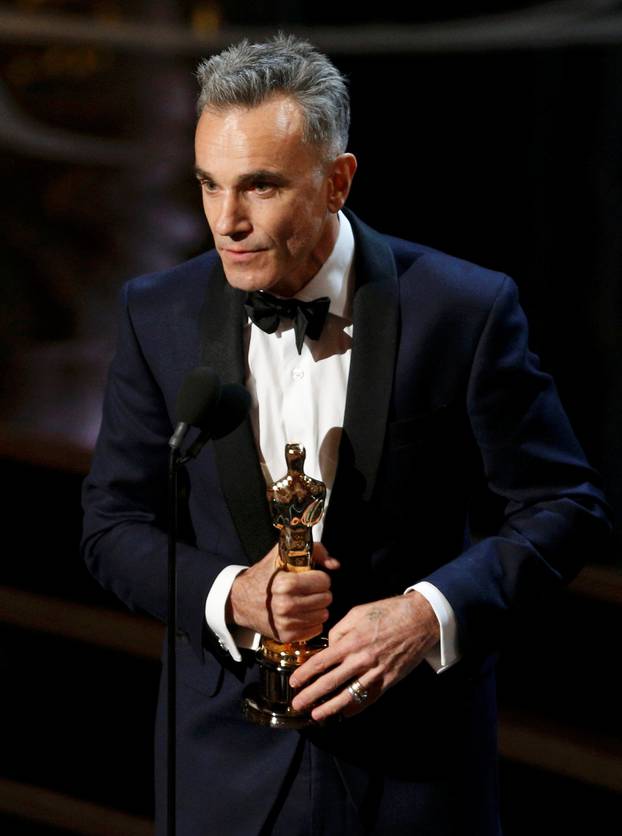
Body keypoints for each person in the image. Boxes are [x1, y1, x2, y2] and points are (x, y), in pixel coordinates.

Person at [81, 34, 611, 836]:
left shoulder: (463, 310)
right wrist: (232, 596)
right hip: (220, 769)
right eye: (209, 185)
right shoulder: (155, 314)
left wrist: (425, 615)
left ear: (338, 181)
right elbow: (111, 528)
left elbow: (565, 506)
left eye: (259, 187)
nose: (227, 221)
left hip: (416, 775)